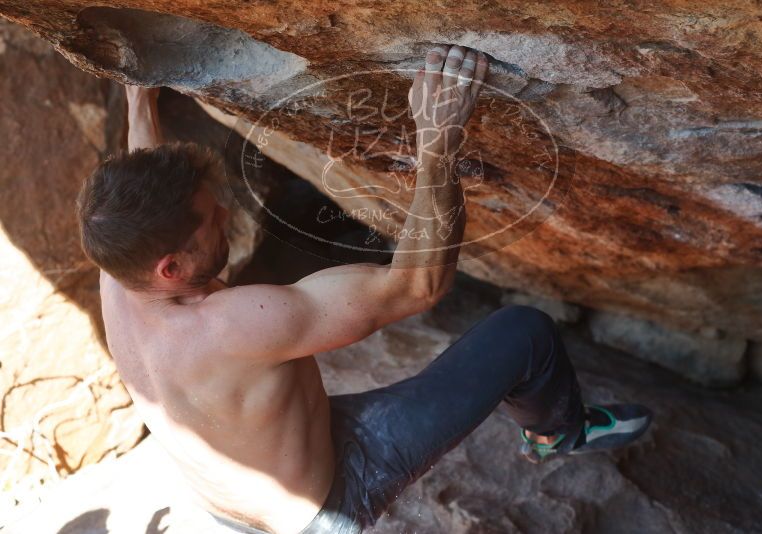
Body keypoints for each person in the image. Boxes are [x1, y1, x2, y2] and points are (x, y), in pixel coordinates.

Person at [76, 44, 651, 534]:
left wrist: (138, 95)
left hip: (232, 502)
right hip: (327, 502)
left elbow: (138, 167)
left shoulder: (119, 265)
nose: (225, 212)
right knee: (525, 335)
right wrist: (438, 143)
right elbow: (416, 287)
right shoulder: (235, 323)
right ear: (171, 269)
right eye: (211, 220)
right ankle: (558, 433)